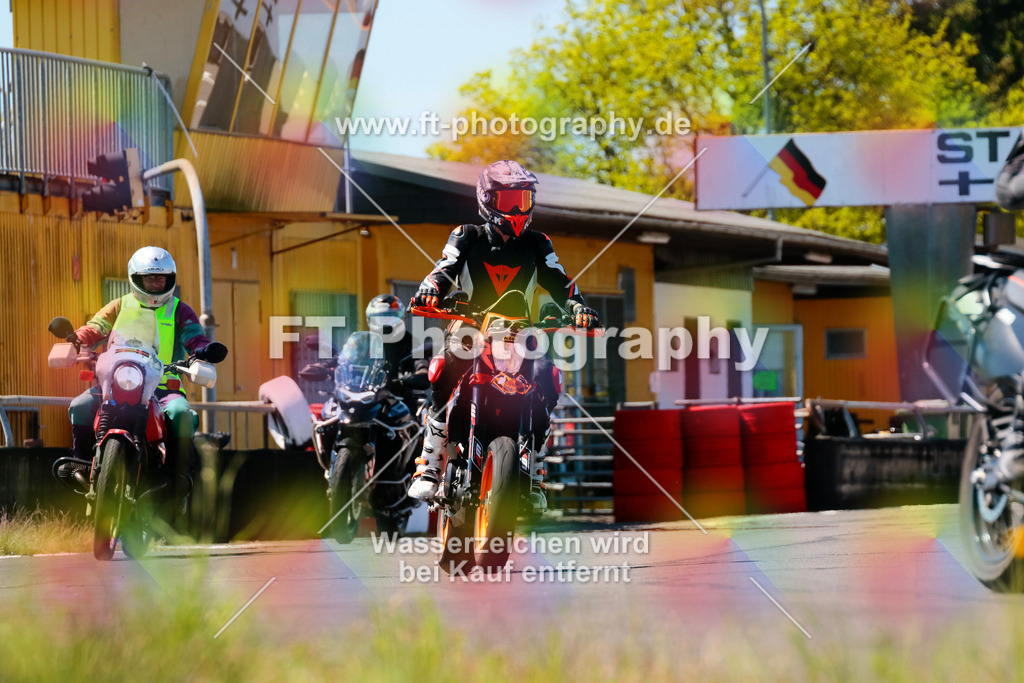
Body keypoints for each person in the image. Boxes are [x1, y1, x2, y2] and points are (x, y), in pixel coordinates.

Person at [406, 160, 600, 509]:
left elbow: (560, 280)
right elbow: (444, 268)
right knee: (442, 369)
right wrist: (431, 289)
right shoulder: (467, 235)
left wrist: (578, 307)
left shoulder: (538, 242)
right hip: (470, 326)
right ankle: (430, 467)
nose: (518, 210)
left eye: (524, 200)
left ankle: (535, 474)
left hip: (520, 332)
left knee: (548, 377)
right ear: (487, 200)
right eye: (509, 200)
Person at [68, 246, 227, 472]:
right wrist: (77, 339)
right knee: (80, 406)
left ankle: (177, 477)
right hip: (116, 383)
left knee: (182, 415)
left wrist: (203, 352)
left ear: (170, 279)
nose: (155, 283)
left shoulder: (180, 310)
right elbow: (96, 327)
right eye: (149, 278)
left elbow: (195, 337)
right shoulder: (119, 305)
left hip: (164, 387)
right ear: (136, 278)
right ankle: (81, 466)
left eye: (161, 278)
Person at [365, 293, 431, 413]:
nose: (385, 323)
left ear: (401, 318)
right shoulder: (365, 342)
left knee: (413, 418)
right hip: (366, 398)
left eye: (390, 318)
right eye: (380, 319)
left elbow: (421, 366)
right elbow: (348, 360)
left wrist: (417, 375)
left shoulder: (411, 341)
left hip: (400, 400)